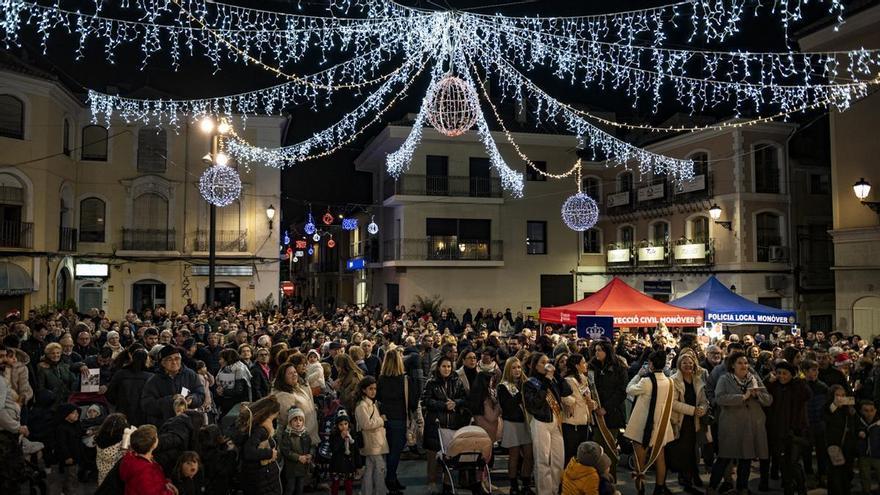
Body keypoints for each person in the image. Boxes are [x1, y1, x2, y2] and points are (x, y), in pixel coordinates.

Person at [708, 350, 773, 494]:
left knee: (747, 457)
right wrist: (743, 397)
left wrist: (757, 396)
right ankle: (712, 486)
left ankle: (742, 487)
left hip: (751, 425)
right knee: (725, 457)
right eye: (740, 363)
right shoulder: (725, 379)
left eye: (745, 363)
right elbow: (720, 398)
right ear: (732, 365)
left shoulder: (754, 378)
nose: (744, 365)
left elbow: (768, 400)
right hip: (731, 425)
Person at [624, 349, 676, 495]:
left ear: (651, 364)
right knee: (660, 458)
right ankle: (659, 488)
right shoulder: (670, 381)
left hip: (643, 426)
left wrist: (638, 375)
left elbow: (629, 389)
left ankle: (641, 490)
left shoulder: (646, 381)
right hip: (661, 425)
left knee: (639, 460)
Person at [523, 352, 572, 495]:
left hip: (556, 421)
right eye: (542, 363)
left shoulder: (553, 379)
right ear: (535, 366)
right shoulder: (530, 383)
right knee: (542, 459)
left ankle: (555, 490)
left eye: (548, 362)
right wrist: (546, 381)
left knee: (558, 459)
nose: (546, 365)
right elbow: (534, 404)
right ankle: (544, 492)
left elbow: (567, 391)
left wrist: (556, 375)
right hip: (540, 421)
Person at [421, 355, 470, 495]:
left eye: (449, 366)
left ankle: (448, 484)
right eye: (444, 366)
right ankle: (432, 482)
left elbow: (464, 398)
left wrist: (456, 403)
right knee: (433, 457)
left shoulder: (457, 381)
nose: (447, 369)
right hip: (435, 425)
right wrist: (443, 405)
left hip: (452, 424)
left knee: (450, 455)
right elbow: (425, 401)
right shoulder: (431, 383)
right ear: (438, 367)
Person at [763, 359, 811, 495]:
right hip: (778, 432)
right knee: (783, 463)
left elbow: (807, 394)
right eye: (779, 373)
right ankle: (788, 488)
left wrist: (798, 379)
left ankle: (801, 488)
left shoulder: (797, 386)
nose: (782, 376)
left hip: (796, 432)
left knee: (794, 462)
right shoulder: (774, 386)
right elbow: (763, 397)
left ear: (791, 374)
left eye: (785, 373)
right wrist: (768, 381)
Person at [665, 348, 708, 494]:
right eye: (685, 362)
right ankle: (686, 479)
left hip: (694, 421)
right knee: (683, 451)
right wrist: (692, 410)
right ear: (679, 364)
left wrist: (703, 408)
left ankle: (690, 477)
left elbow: (703, 400)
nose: (688, 365)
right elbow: (672, 403)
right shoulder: (674, 381)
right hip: (680, 421)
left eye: (690, 363)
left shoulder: (698, 380)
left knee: (692, 451)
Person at [377, 348, 417, 492]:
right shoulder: (405, 380)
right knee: (395, 452)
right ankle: (391, 479)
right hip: (400, 419)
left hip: (384, 419)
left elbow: (378, 399)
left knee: (387, 452)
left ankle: (390, 478)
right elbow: (412, 401)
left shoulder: (381, 379)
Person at [588, 340, 627, 481]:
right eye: (596, 350)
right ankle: (597, 480)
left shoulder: (619, 367)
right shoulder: (592, 366)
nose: (597, 353)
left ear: (608, 351)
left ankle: (611, 480)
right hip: (596, 413)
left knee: (610, 447)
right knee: (598, 447)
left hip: (613, 414)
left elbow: (622, 392)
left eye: (600, 350)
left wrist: (606, 408)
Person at [141, 346, 205, 427]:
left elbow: (200, 394)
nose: (174, 362)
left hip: (187, 424)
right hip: (164, 425)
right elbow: (147, 405)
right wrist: (171, 400)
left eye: (177, 358)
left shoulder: (190, 374)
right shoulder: (154, 380)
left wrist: (192, 399)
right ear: (162, 363)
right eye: (169, 359)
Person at [497, 357, 534, 495]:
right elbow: (508, 406)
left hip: (527, 422)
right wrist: (522, 396)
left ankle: (525, 484)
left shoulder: (527, 382)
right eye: (514, 368)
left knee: (529, 455)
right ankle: (513, 486)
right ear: (508, 370)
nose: (517, 370)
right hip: (512, 423)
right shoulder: (503, 386)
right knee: (514, 456)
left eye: (519, 367)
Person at [237, 395, 283, 495]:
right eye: (274, 417)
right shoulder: (259, 430)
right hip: (261, 479)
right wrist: (270, 453)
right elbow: (249, 452)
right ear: (269, 414)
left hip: (263, 479)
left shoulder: (257, 427)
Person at [0, 342, 29, 493]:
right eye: (1, 357)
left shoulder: (13, 372)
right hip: (5, 429)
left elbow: (25, 389)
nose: (4, 360)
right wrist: (17, 427)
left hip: (12, 419)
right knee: (7, 474)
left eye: (6, 356)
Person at [118, 424, 177, 495]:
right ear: (153, 444)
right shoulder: (145, 471)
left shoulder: (131, 458)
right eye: (156, 437)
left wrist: (166, 482)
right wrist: (170, 492)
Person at [562, 354, 596, 469]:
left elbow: (588, 399)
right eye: (583, 362)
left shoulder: (583, 378)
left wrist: (592, 403)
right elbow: (564, 397)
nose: (586, 364)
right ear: (577, 365)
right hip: (572, 422)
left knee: (581, 455)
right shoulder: (568, 380)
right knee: (571, 454)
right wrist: (572, 402)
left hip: (584, 420)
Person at [355, 376, 388, 495]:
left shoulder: (370, 403)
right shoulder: (362, 406)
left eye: (375, 388)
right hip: (372, 442)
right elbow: (366, 424)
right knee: (380, 469)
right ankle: (380, 492)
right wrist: (381, 420)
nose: (373, 391)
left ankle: (366, 492)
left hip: (374, 441)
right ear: (364, 390)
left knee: (369, 469)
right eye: (370, 389)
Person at [272, 363, 320, 445]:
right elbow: (286, 421)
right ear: (283, 377)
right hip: (298, 442)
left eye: (295, 372)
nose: (294, 375)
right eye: (290, 373)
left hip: (309, 436)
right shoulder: (283, 396)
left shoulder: (297, 388)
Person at [106, 348, 153, 426]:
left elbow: (110, 395)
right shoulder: (150, 377)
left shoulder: (120, 374)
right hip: (143, 417)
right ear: (145, 360)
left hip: (122, 414)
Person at [824, 384, 856, 495]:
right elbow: (826, 417)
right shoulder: (828, 407)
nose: (840, 398)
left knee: (847, 471)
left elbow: (853, 425)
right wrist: (835, 405)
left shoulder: (848, 409)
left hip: (848, 445)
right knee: (835, 471)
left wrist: (851, 410)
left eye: (843, 395)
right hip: (834, 444)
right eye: (837, 395)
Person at [279, 407, 312, 495]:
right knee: (290, 488)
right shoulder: (287, 435)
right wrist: (298, 457)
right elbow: (286, 451)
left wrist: (310, 455)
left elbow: (310, 446)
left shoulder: (305, 434)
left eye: (300, 420)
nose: (298, 422)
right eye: (295, 420)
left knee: (300, 488)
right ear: (290, 422)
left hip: (302, 467)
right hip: (291, 468)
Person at [95, 413, 134, 486]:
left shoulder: (100, 435)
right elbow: (125, 453)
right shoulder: (121, 438)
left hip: (101, 467)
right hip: (114, 471)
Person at [328, 410, 360, 495]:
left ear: (349, 424)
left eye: (345, 424)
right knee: (335, 485)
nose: (344, 427)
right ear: (337, 425)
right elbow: (333, 449)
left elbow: (355, 450)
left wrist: (358, 465)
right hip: (336, 465)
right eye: (341, 425)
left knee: (348, 485)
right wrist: (341, 438)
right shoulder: (334, 434)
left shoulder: (352, 434)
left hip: (349, 465)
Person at [215, 348, 253, 417]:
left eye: (221, 359)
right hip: (227, 403)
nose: (219, 361)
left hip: (237, 405)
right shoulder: (225, 368)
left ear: (228, 359)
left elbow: (238, 390)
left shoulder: (239, 369)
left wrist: (223, 391)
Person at [56, 402, 82, 495]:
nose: (77, 414)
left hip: (76, 457)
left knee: (73, 476)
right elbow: (62, 444)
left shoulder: (75, 425)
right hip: (69, 458)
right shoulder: (62, 428)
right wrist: (67, 456)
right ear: (66, 415)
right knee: (69, 477)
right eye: (74, 413)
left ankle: (66, 491)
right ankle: (67, 492)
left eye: (77, 413)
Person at [857, 400, 880, 495]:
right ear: (862, 411)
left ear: (875, 410)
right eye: (866, 410)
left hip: (878, 454)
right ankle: (866, 491)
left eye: (871, 410)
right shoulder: (859, 423)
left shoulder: (878, 423)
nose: (869, 413)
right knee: (864, 476)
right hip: (863, 454)